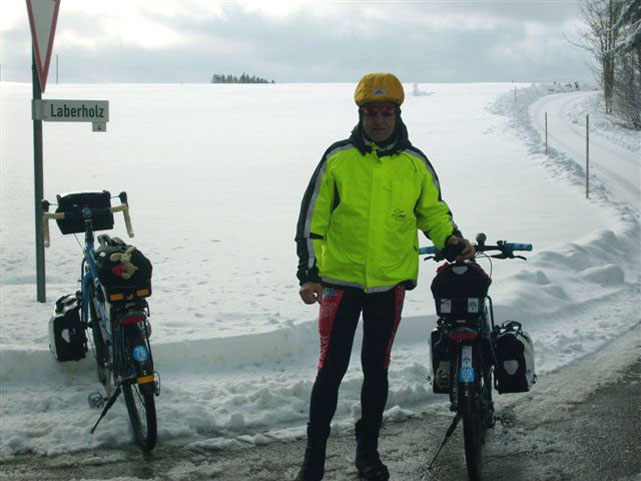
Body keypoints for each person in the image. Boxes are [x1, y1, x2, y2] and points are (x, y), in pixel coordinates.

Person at [294, 72, 474, 481]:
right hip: (339, 284)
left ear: (397, 113)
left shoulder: (414, 163)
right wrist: (309, 271)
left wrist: (451, 239)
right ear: (360, 114)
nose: (378, 119)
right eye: (370, 111)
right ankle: (313, 460)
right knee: (331, 369)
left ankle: (367, 454)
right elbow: (311, 220)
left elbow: (432, 212)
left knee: (377, 370)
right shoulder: (338, 158)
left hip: (388, 287)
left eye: (386, 111)